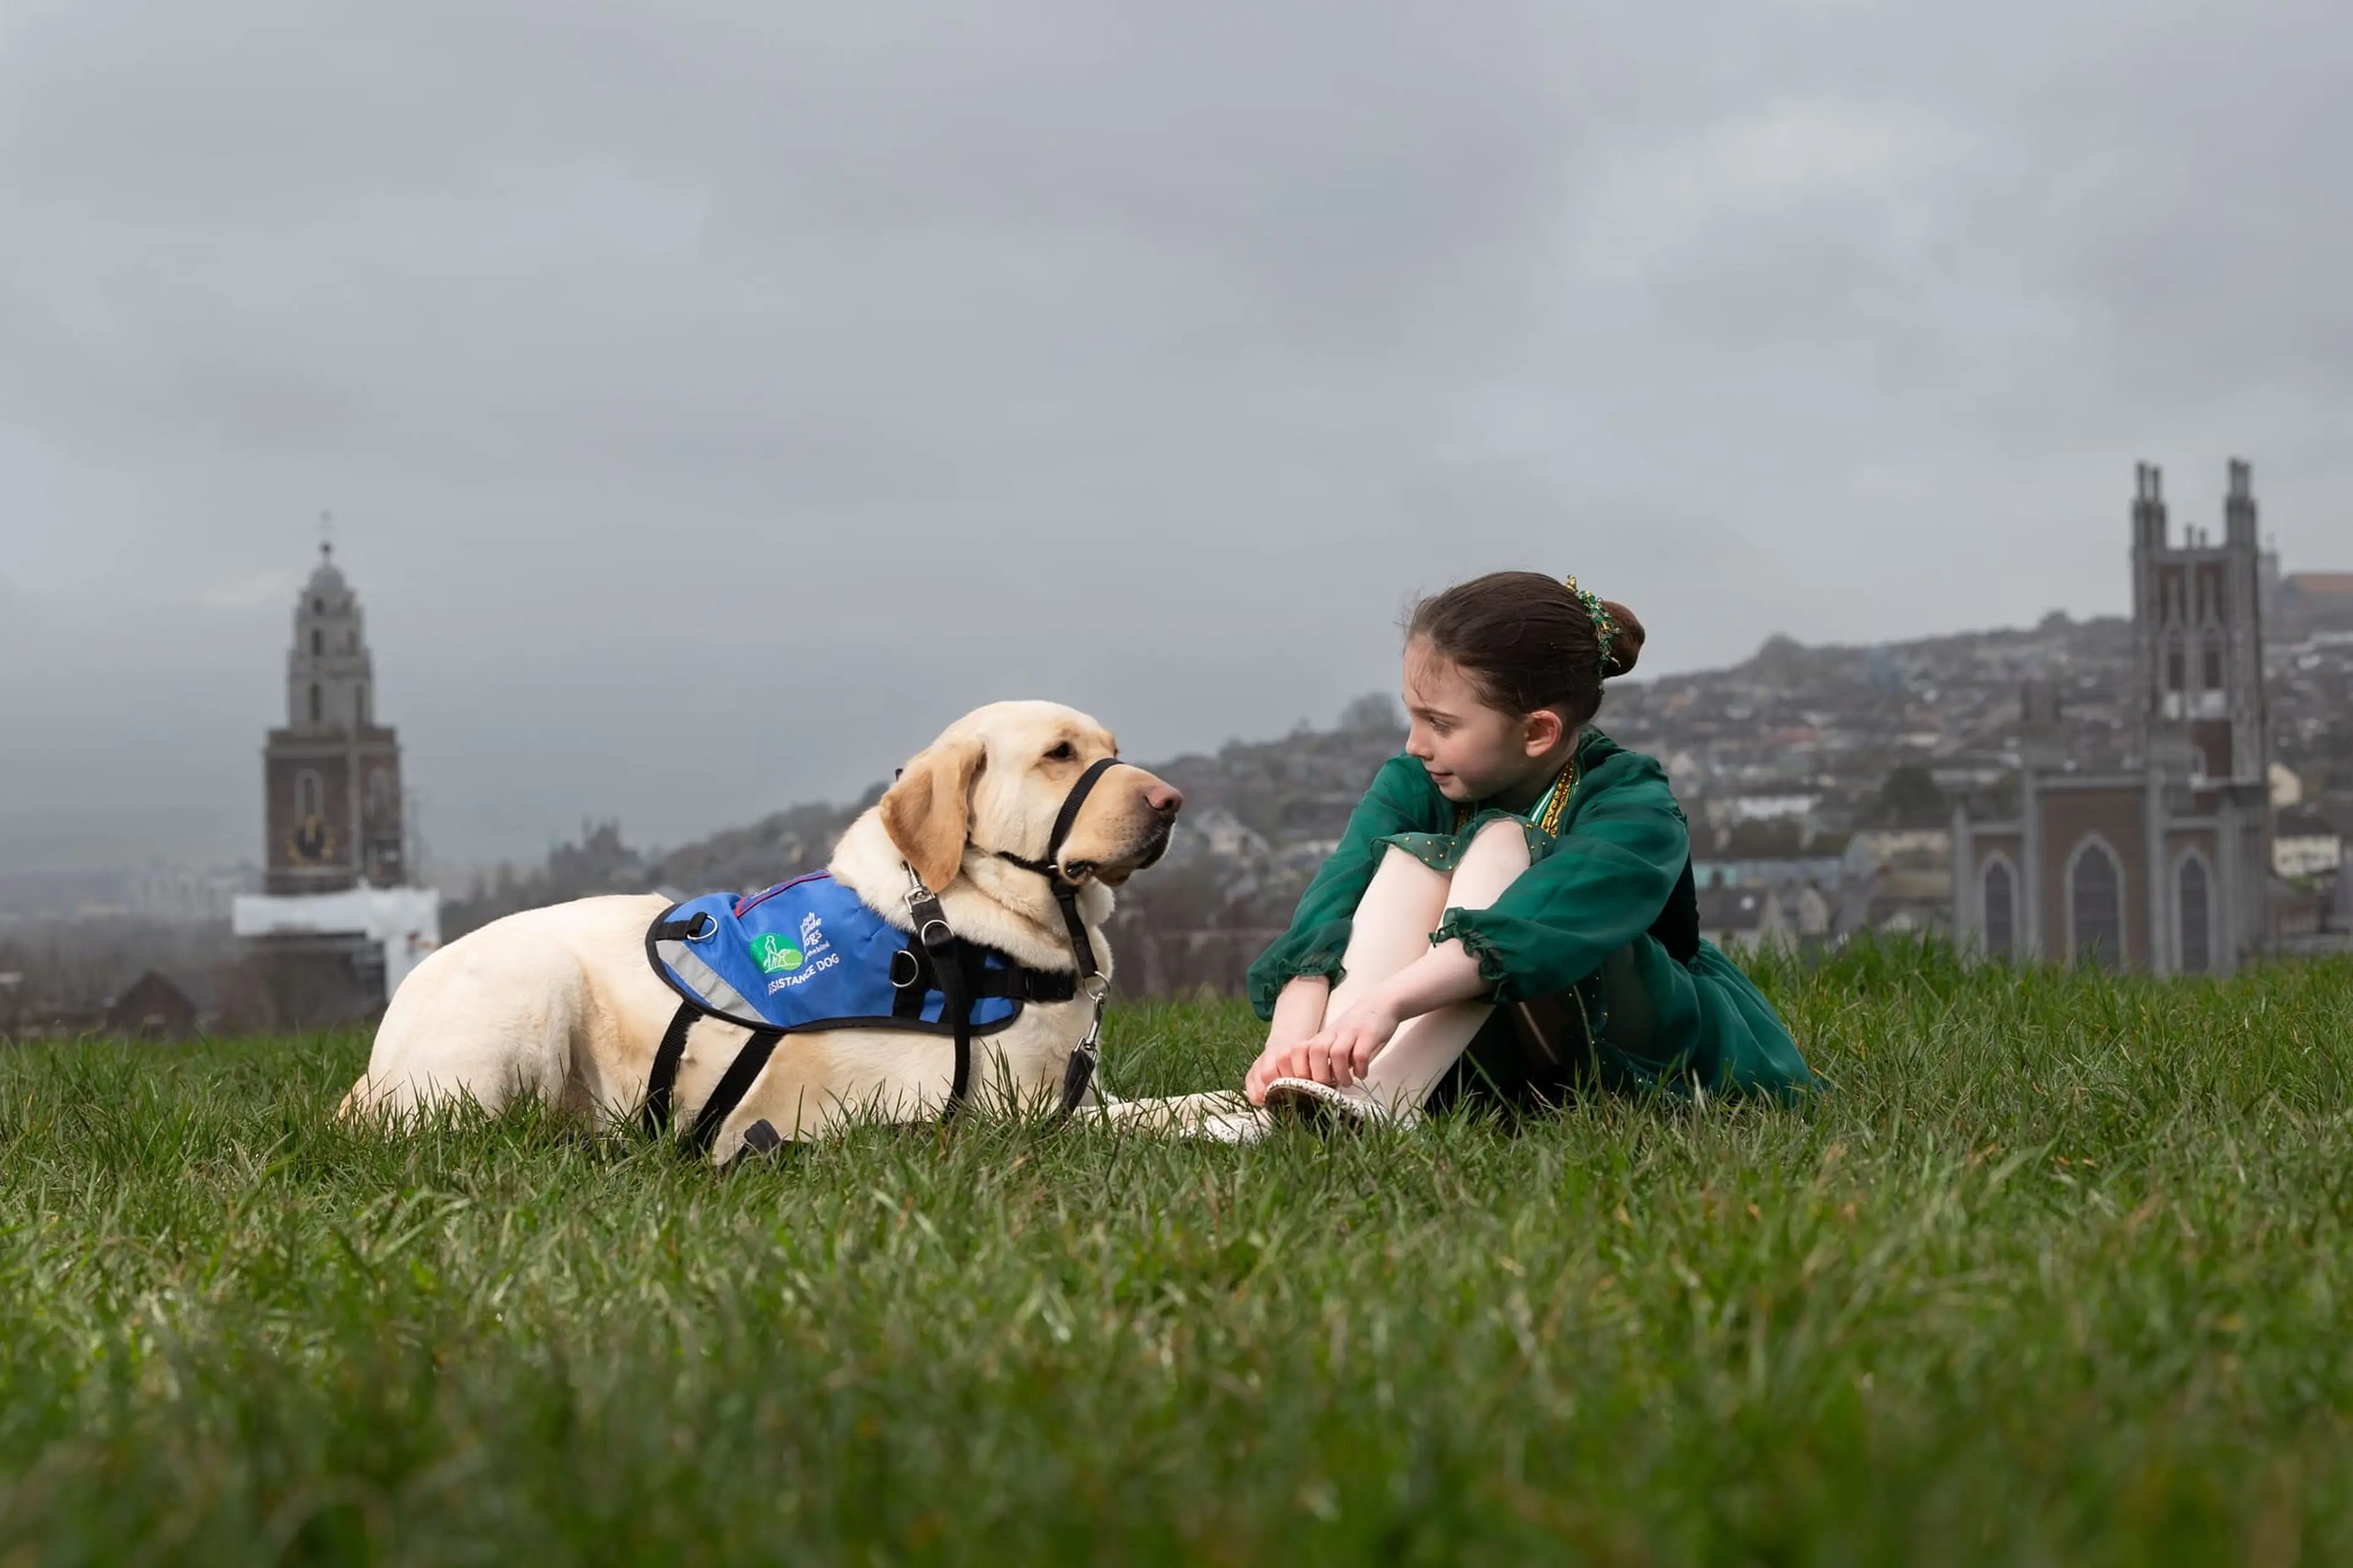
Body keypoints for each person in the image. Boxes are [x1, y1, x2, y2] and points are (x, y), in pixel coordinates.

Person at [1237, 570, 1815, 1126]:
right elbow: (1334, 897)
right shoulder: (1414, 780)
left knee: (1502, 843)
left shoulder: (1634, 803)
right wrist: (1290, 1042)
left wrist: (1383, 1004)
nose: (1416, 744)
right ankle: (1325, 1086)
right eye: (1413, 718)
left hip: (1630, 1042)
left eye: (1440, 723)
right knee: (1409, 860)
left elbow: (1543, 926)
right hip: (1485, 1048)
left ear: (1539, 732)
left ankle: (1379, 1097)